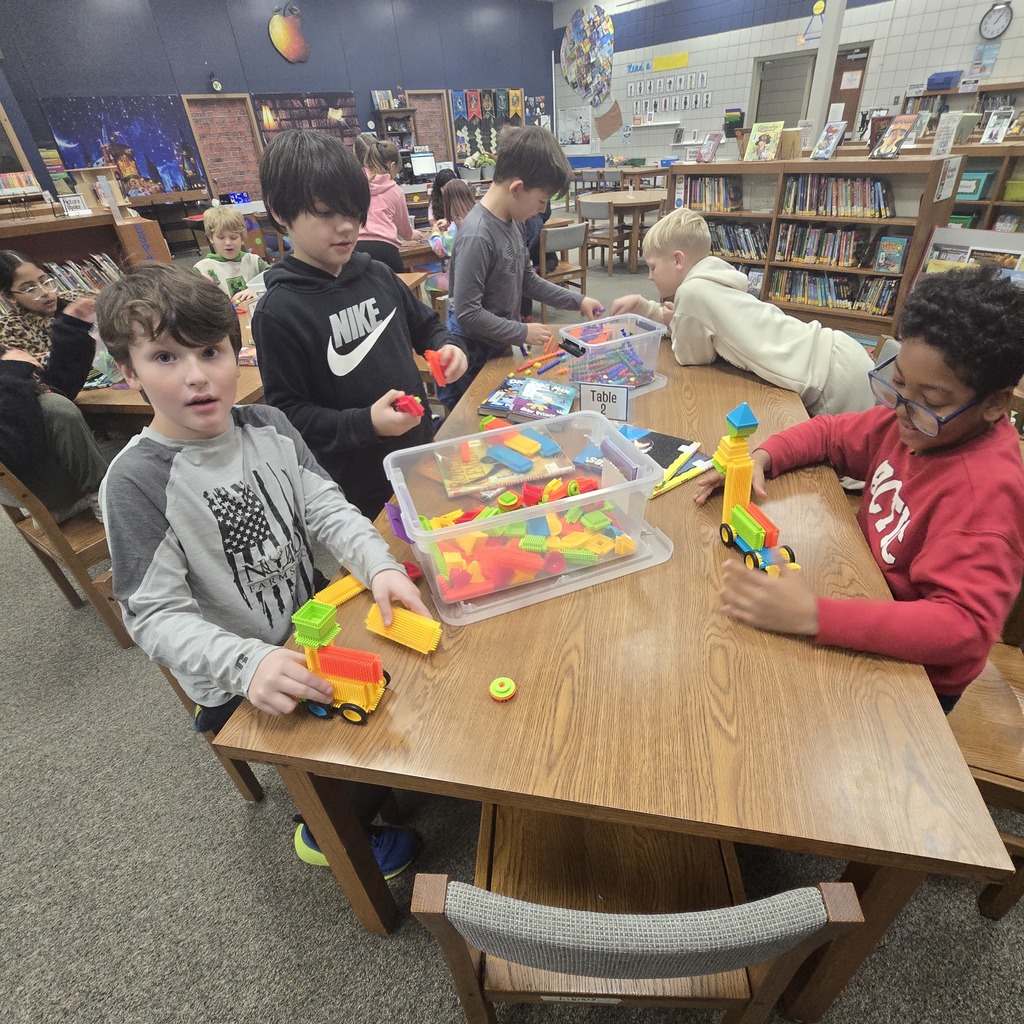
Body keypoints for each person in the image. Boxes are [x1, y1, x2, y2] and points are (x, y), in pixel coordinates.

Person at [96, 264, 429, 876]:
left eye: (210, 351)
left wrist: (379, 566)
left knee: (417, 695)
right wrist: (248, 663)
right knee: (363, 756)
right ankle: (323, 831)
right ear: (127, 370)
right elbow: (153, 617)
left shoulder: (270, 426)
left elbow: (327, 509)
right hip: (236, 678)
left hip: (313, 625)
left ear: (236, 352)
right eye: (165, 357)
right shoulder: (137, 481)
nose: (198, 376)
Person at [694, 266, 1024, 713]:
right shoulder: (912, 425)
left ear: (994, 403)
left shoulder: (985, 497)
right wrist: (762, 459)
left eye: (934, 401)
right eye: (900, 383)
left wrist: (812, 615)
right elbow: (829, 433)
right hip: (863, 589)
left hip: (916, 679)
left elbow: (961, 628)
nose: (904, 411)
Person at [252, 129, 468, 520]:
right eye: (326, 212)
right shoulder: (279, 312)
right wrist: (366, 423)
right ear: (281, 212)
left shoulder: (378, 275)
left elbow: (426, 328)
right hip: (357, 487)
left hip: (417, 451)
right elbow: (290, 416)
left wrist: (449, 347)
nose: (347, 226)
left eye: (352, 211)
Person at [610, 207, 875, 417]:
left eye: (653, 267)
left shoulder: (691, 292)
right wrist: (655, 312)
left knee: (856, 470)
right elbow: (695, 328)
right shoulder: (714, 276)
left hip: (830, 380)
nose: (649, 277)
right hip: (835, 352)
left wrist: (670, 319)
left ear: (678, 260)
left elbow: (692, 356)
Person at [440, 125, 603, 409]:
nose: (542, 210)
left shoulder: (514, 222)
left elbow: (527, 280)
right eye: (541, 201)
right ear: (516, 188)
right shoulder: (477, 235)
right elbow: (467, 312)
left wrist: (578, 301)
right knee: (473, 424)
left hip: (496, 345)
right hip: (470, 356)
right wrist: (522, 331)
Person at [0, 294, 109, 520]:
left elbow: (53, 386)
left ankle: (68, 507)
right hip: (34, 481)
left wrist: (71, 327)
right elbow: (18, 444)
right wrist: (13, 374)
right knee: (139, 450)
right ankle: (104, 504)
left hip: (41, 465)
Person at [0, 250, 91, 366]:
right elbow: (35, 373)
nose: (45, 292)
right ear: (10, 296)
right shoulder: (10, 331)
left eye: (45, 281)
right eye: (30, 289)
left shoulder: (79, 299)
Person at [353, 137, 421, 273]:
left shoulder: (356, 184)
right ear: (392, 165)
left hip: (356, 247)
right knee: (396, 290)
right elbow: (405, 231)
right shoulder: (395, 190)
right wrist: (413, 234)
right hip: (385, 249)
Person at [192, 206, 269, 305]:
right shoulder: (202, 268)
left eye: (233, 237)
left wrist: (255, 288)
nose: (228, 242)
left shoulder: (253, 261)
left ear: (242, 239)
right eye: (221, 237)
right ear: (211, 238)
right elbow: (191, 301)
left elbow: (274, 278)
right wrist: (201, 287)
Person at [426, 178, 476, 297]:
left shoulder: (456, 227)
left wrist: (435, 232)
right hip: (482, 277)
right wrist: (448, 222)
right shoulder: (478, 216)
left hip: (463, 280)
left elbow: (440, 250)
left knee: (429, 283)